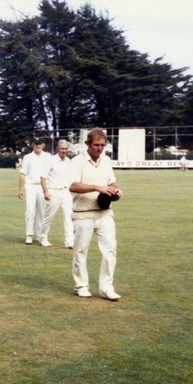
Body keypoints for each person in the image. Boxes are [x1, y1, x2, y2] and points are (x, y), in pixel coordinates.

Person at [69, 128, 123, 301]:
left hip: (104, 212)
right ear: (88, 144)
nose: (99, 148)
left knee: (110, 249)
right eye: (96, 145)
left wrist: (116, 189)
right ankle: (81, 286)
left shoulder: (106, 160)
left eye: (102, 145)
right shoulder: (77, 161)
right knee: (80, 251)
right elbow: (73, 186)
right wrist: (96, 187)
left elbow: (110, 181)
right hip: (83, 213)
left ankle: (107, 288)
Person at [39, 140, 74, 249]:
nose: (64, 151)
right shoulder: (51, 160)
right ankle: (43, 237)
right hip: (53, 192)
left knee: (69, 217)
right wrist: (46, 192)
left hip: (66, 192)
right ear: (57, 149)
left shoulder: (69, 162)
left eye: (65, 149)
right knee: (48, 217)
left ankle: (69, 241)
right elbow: (43, 177)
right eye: (62, 148)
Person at [18, 140, 51, 244]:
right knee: (30, 210)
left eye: (40, 144)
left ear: (43, 145)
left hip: (43, 187)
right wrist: (20, 189)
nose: (38, 146)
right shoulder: (27, 157)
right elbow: (23, 173)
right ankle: (29, 235)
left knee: (42, 212)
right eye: (36, 144)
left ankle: (40, 235)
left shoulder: (48, 156)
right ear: (33, 145)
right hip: (31, 186)